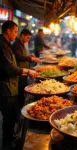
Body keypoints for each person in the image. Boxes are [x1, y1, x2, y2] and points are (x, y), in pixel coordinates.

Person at [0, 21, 37, 150]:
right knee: (9, 119)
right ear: (8, 31)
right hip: (5, 88)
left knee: (11, 117)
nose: (16, 34)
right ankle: (7, 145)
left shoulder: (6, 44)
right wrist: (27, 71)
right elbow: (9, 68)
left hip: (10, 86)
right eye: (15, 31)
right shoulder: (2, 44)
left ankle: (10, 141)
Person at [12, 29, 41, 108]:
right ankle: (20, 109)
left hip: (24, 72)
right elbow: (18, 56)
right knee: (20, 91)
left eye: (29, 38)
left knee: (22, 90)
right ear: (22, 35)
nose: (28, 40)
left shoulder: (21, 44)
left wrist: (29, 56)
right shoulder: (17, 44)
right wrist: (31, 59)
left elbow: (23, 56)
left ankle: (21, 105)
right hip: (20, 72)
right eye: (27, 38)